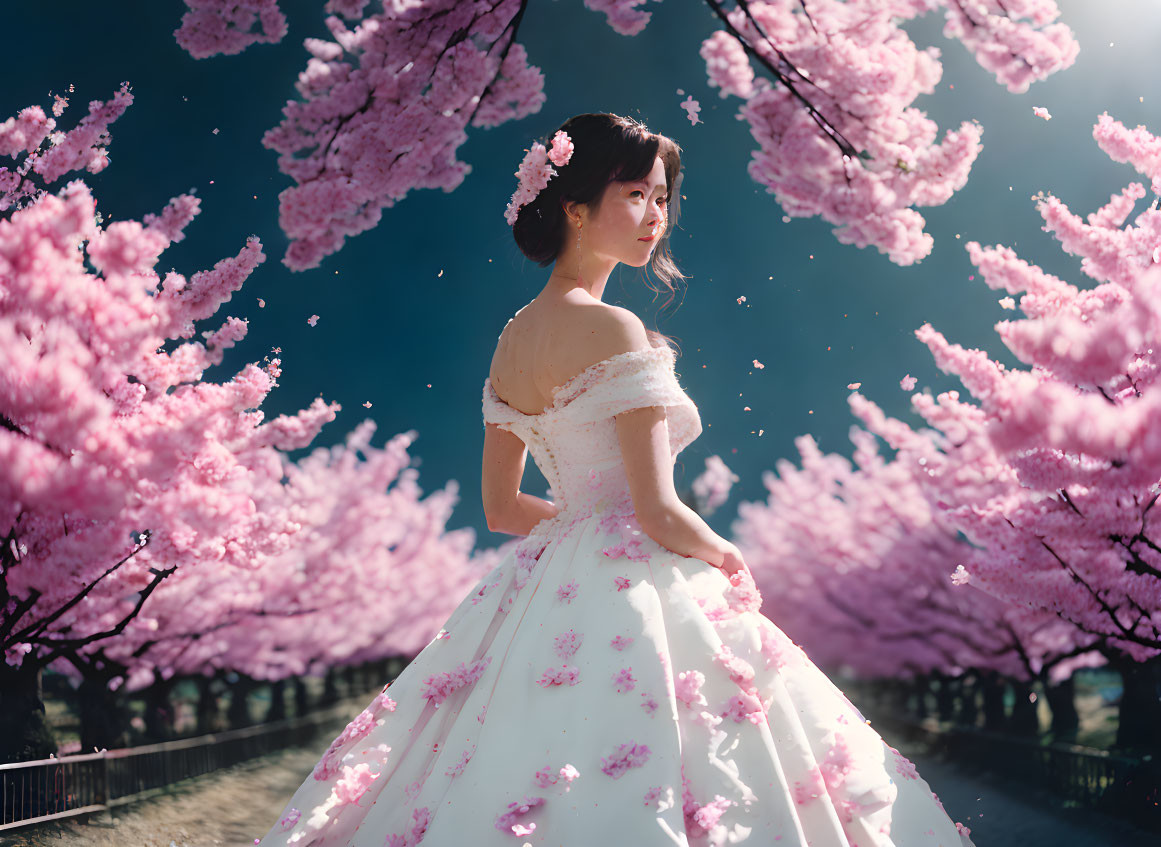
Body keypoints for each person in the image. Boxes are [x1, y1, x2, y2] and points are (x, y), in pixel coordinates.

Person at [255, 113, 976, 846]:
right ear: (573, 206)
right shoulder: (614, 329)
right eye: (635, 194)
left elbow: (501, 509)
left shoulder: (512, 339)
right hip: (635, 581)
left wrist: (576, 527)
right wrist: (726, 553)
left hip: (538, 584)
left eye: (661, 198)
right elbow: (658, 509)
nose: (655, 216)